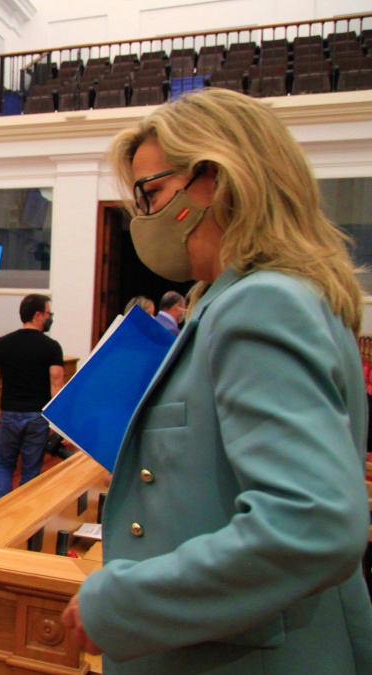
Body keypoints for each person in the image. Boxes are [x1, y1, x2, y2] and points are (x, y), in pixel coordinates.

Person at [61, 88, 372, 673]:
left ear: (217, 180)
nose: (142, 217)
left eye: (151, 193)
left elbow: (313, 522)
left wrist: (124, 602)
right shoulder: (243, 299)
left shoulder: (262, 303)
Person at [0, 294, 64, 500]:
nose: (50, 317)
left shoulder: (3, 343)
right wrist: (58, 424)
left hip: (9, 413)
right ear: (38, 315)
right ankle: (23, 512)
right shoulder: (52, 347)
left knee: (4, 465)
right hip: (37, 417)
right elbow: (56, 386)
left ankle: (0, 510)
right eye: (48, 313)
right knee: (30, 471)